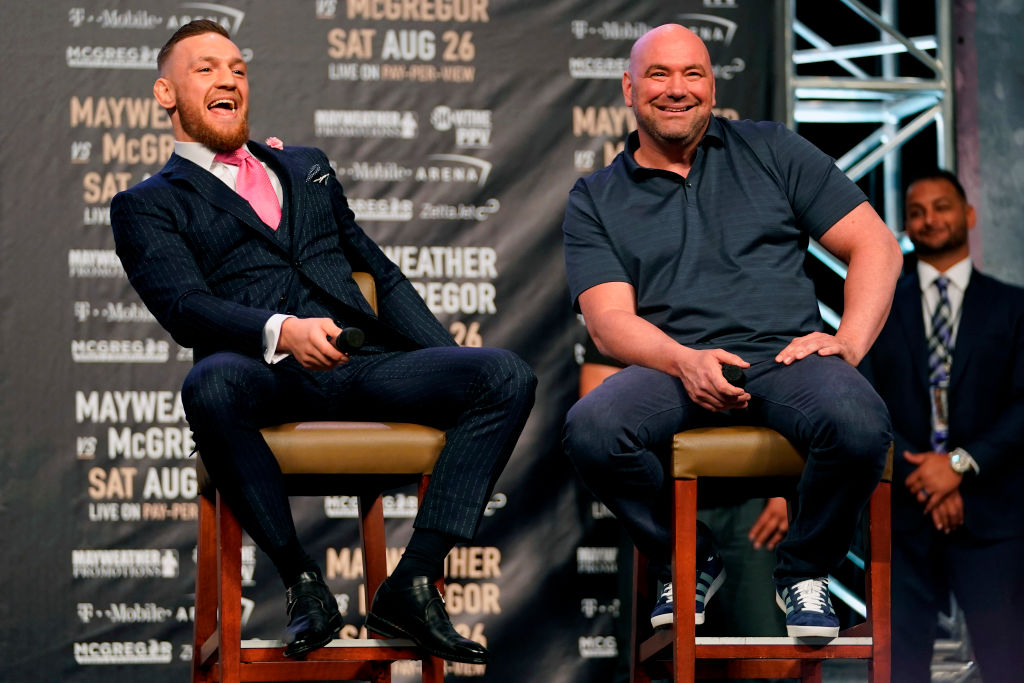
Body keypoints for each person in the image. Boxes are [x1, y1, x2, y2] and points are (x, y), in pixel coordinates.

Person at [110, 20, 536, 664]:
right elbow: (184, 307)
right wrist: (282, 330)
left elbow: (378, 273)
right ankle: (303, 581)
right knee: (209, 385)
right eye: (205, 69)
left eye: (237, 70)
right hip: (266, 377)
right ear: (165, 94)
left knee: (503, 375)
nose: (228, 79)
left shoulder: (305, 166)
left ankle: (414, 580)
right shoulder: (148, 203)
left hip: (362, 365)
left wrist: (439, 357)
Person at [561, 24, 903, 640]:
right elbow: (609, 324)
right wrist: (683, 360)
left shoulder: (772, 148)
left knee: (860, 422)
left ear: (712, 87)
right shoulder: (596, 196)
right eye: (659, 74)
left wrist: (848, 342)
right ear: (629, 89)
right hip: (672, 369)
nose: (677, 89)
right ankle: (688, 557)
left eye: (692, 73)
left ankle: (805, 571)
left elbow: (876, 245)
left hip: (785, 360)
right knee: (592, 429)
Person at [862, 169, 1024, 681]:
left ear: (968, 215)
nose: (930, 219)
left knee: (1008, 665)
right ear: (907, 227)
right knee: (898, 669)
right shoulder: (878, 308)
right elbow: (866, 403)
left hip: (993, 518)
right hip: (903, 520)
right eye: (917, 212)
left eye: (942, 206)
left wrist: (957, 466)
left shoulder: (1014, 307)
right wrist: (925, 474)